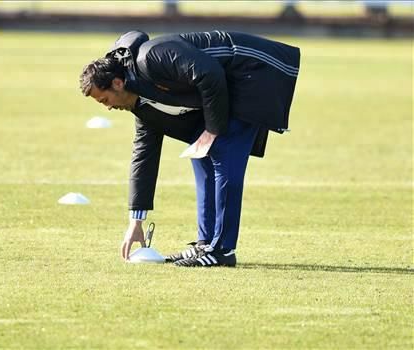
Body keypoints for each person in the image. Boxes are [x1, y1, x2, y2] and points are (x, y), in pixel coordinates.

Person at [79, 30, 300, 267]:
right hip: (225, 88)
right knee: (201, 154)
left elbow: (210, 73)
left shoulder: (153, 56)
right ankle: (206, 245)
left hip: (255, 70)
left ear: (117, 83)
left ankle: (222, 250)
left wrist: (213, 130)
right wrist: (136, 221)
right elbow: (144, 157)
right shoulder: (142, 107)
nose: (108, 108)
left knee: (223, 150)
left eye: (104, 100)